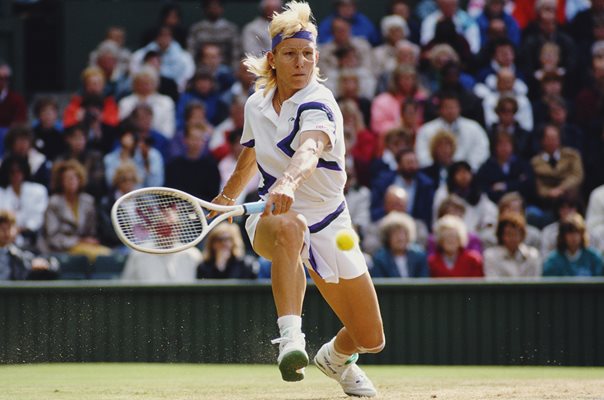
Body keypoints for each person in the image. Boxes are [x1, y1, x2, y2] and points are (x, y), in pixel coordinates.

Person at [211, 2, 383, 396]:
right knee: (292, 225)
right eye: (290, 54)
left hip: (331, 223)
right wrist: (223, 201)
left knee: (371, 338)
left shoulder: (321, 103)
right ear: (273, 59)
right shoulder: (256, 104)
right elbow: (249, 157)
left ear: (316, 57)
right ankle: (291, 340)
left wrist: (287, 182)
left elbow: (308, 151)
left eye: (307, 54)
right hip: (274, 220)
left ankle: (335, 359)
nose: (301, 62)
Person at [39, 160, 112, 261]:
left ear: (80, 179)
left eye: (75, 177)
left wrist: (88, 241)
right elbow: (52, 237)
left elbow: (91, 232)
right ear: (61, 181)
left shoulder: (88, 201)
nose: (71, 181)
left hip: (84, 247)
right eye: (68, 178)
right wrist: (79, 241)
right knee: (99, 255)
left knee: (108, 255)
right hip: (60, 249)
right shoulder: (54, 202)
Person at [0, 155, 49, 249]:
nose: (16, 175)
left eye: (19, 171)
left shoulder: (38, 190)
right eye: (12, 172)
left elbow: (37, 220)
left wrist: (19, 230)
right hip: (4, 238)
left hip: (33, 238)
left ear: (24, 171)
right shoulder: (1, 192)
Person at [0, 210, 58, 281]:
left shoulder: (19, 253)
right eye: (2, 229)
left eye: (9, 228)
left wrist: (41, 264)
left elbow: (52, 266)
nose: (6, 233)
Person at [370, 211, 429, 278]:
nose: (400, 238)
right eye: (395, 233)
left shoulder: (419, 256)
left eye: (402, 233)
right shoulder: (380, 259)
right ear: (387, 237)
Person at [483, 212, 541, 277]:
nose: (513, 238)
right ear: (501, 236)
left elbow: (534, 282)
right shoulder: (490, 256)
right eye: (509, 234)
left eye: (516, 234)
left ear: (522, 235)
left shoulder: (533, 256)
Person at [0, 62, 27, 132]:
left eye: (5, 78)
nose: (2, 81)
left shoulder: (17, 100)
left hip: (9, 137)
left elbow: (20, 122)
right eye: (0, 78)